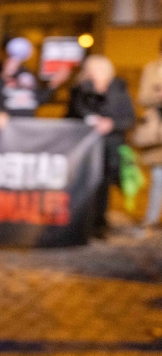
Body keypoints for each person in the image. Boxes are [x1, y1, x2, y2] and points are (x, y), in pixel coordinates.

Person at [67, 55, 136, 238]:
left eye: (97, 70)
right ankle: (82, 222)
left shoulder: (118, 90)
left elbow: (129, 118)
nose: (94, 74)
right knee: (85, 184)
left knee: (103, 186)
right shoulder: (81, 89)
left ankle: (99, 224)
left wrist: (111, 124)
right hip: (86, 148)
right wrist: (90, 119)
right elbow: (73, 113)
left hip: (110, 147)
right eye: (90, 70)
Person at [0, 37, 69, 129]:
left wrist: (53, 84)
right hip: (6, 128)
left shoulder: (27, 74)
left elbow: (38, 99)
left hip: (27, 127)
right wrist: (4, 75)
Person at [134, 45, 162, 236]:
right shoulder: (152, 69)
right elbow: (142, 97)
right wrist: (157, 96)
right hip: (156, 132)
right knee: (158, 178)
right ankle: (151, 219)